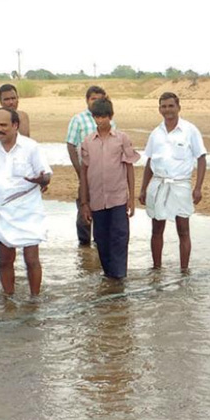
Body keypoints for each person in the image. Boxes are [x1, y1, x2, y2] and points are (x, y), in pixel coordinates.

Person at [0, 107, 52, 296]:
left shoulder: (31, 147)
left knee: (31, 259)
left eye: (3, 125)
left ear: (15, 125)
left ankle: (35, 299)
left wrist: (41, 180)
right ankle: (8, 299)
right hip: (2, 210)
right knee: (4, 259)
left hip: (28, 209)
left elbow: (46, 177)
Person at [139, 92, 207, 272]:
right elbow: (149, 162)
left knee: (183, 229)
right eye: (164, 106)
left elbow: (201, 158)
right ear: (159, 109)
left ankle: (184, 271)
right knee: (156, 228)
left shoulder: (190, 130)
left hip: (181, 185)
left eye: (171, 106)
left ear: (178, 107)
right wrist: (143, 189)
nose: (167, 110)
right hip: (158, 183)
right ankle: (156, 270)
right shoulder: (156, 133)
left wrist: (198, 187)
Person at [79, 98, 140, 279]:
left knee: (120, 237)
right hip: (97, 199)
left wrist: (131, 198)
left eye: (104, 117)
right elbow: (84, 173)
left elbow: (129, 167)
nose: (100, 121)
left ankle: (119, 276)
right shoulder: (88, 142)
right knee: (101, 239)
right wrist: (84, 203)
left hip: (118, 198)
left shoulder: (121, 139)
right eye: (97, 117)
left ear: (110, 117)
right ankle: (109, 275)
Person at [66, 85, 114, 246]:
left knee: (104, 207)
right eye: (93, 99)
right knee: (84, 206)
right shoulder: (78, 119)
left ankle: (100, 241)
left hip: (106, 174)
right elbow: (71, 145)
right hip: (86, 171)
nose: (96, 102)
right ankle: (84, 246)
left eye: (99, 99)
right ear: (87, 100)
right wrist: (80, 172)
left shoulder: (108, 119)